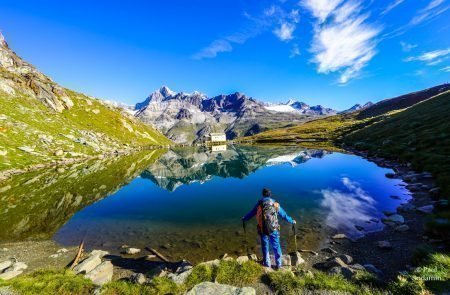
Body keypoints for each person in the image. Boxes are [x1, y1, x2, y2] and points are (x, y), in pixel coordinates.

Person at [242, 188, 296, 269]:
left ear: (263, 194)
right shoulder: (275, 203)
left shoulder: (259, 204)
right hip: (274, 229)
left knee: (265, 246)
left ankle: (267, 264)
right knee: (276, 246)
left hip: (263, 229)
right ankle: (279, 264)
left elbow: (252, 213)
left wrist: (244, 218)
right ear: (270, 195)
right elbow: (283, 215)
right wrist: (292, 221)